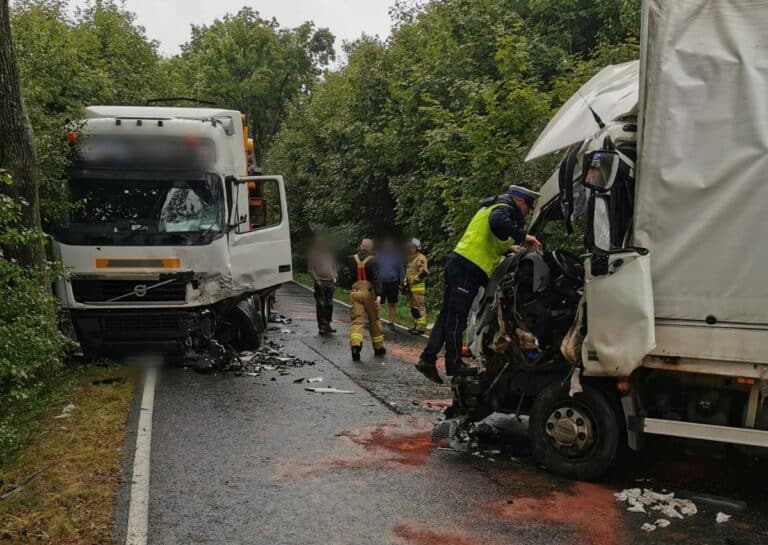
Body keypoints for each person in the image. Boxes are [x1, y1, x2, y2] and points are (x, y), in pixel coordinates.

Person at [415, 185, 542, 384]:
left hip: (461, 264)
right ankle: (454, 363)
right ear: (519, 200)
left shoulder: (495, 206)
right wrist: (523, 236)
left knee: (447, 316)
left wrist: (511, 247)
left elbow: (491, 236)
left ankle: (428, 359)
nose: (527, 211)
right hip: (467, 268)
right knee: (458, 317)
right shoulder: (504, 207)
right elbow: (498, 222)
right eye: (528, 206)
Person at [348, 238, 386, 361]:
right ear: (371, 248)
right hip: (369, 293)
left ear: (360, 246)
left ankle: (355, 346)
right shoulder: (374, 260)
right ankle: (378, 347)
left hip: (355, 291)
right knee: (374, 320)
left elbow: (351, 277)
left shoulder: (351, 259)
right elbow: (377, 278)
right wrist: (379, 295)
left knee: (357, 320)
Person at [307, 236, 337, 335]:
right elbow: (311, 269)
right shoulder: (313, 255)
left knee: (330, 304)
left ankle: (328, 324)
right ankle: (322, 326)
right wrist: (317, 280)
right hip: (320, 282)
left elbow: (333, 267)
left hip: (330, 282)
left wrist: (334, 276)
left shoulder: (329, 255)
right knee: (321, 305)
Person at [377, 237, 404, 330]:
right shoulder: (379, 255)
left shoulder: (396, 256)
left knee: (392, 302)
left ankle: (391, 321)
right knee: (379, 301)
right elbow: (375, 268)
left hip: (393, 282)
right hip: (381, 282)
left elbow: (400, 269)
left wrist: (401, 282)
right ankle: (377, 319)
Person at [403, 238, 429, 335]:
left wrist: (414, 280)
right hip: (410, 287)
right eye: (410, 247)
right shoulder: (411, 258)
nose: (410, 249)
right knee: (413, 307)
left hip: (418, 287)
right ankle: (416, 324)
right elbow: (408, 272)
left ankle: (421, 327)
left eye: (412, 247)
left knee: (419, 307)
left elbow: (424, 273)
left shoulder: (421, 258)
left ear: (417, 248)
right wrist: (405, 282)